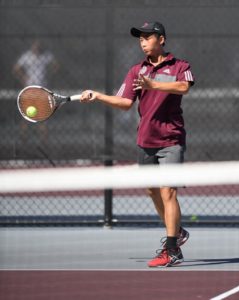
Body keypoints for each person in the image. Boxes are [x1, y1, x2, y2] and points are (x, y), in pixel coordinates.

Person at [81, 21, 195, 267]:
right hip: (145, 140)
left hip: (171, 140)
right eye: (140, 38)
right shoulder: (136, 71)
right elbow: (124, 102)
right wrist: (98, 96)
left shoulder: (180, 66)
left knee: (168, 191)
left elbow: (184, 87)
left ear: (161, 39)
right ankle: (178, 231)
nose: (143, 42)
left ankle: (172, 248)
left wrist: (153, 84)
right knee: (152, 191)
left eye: (147, 37)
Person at [13, 40, 59, 145]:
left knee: (43, 114)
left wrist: (49, 75)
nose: (37, 47)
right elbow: (16, 69)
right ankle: (23, 139)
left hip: (42, 89)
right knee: (26, 115)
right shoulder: (26, 56)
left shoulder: (46, 55)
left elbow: (56, 65)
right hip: (29, 89)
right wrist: (24, 78)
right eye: (35, 45)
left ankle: (44, 140)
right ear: (32, 45)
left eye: (39, 45)